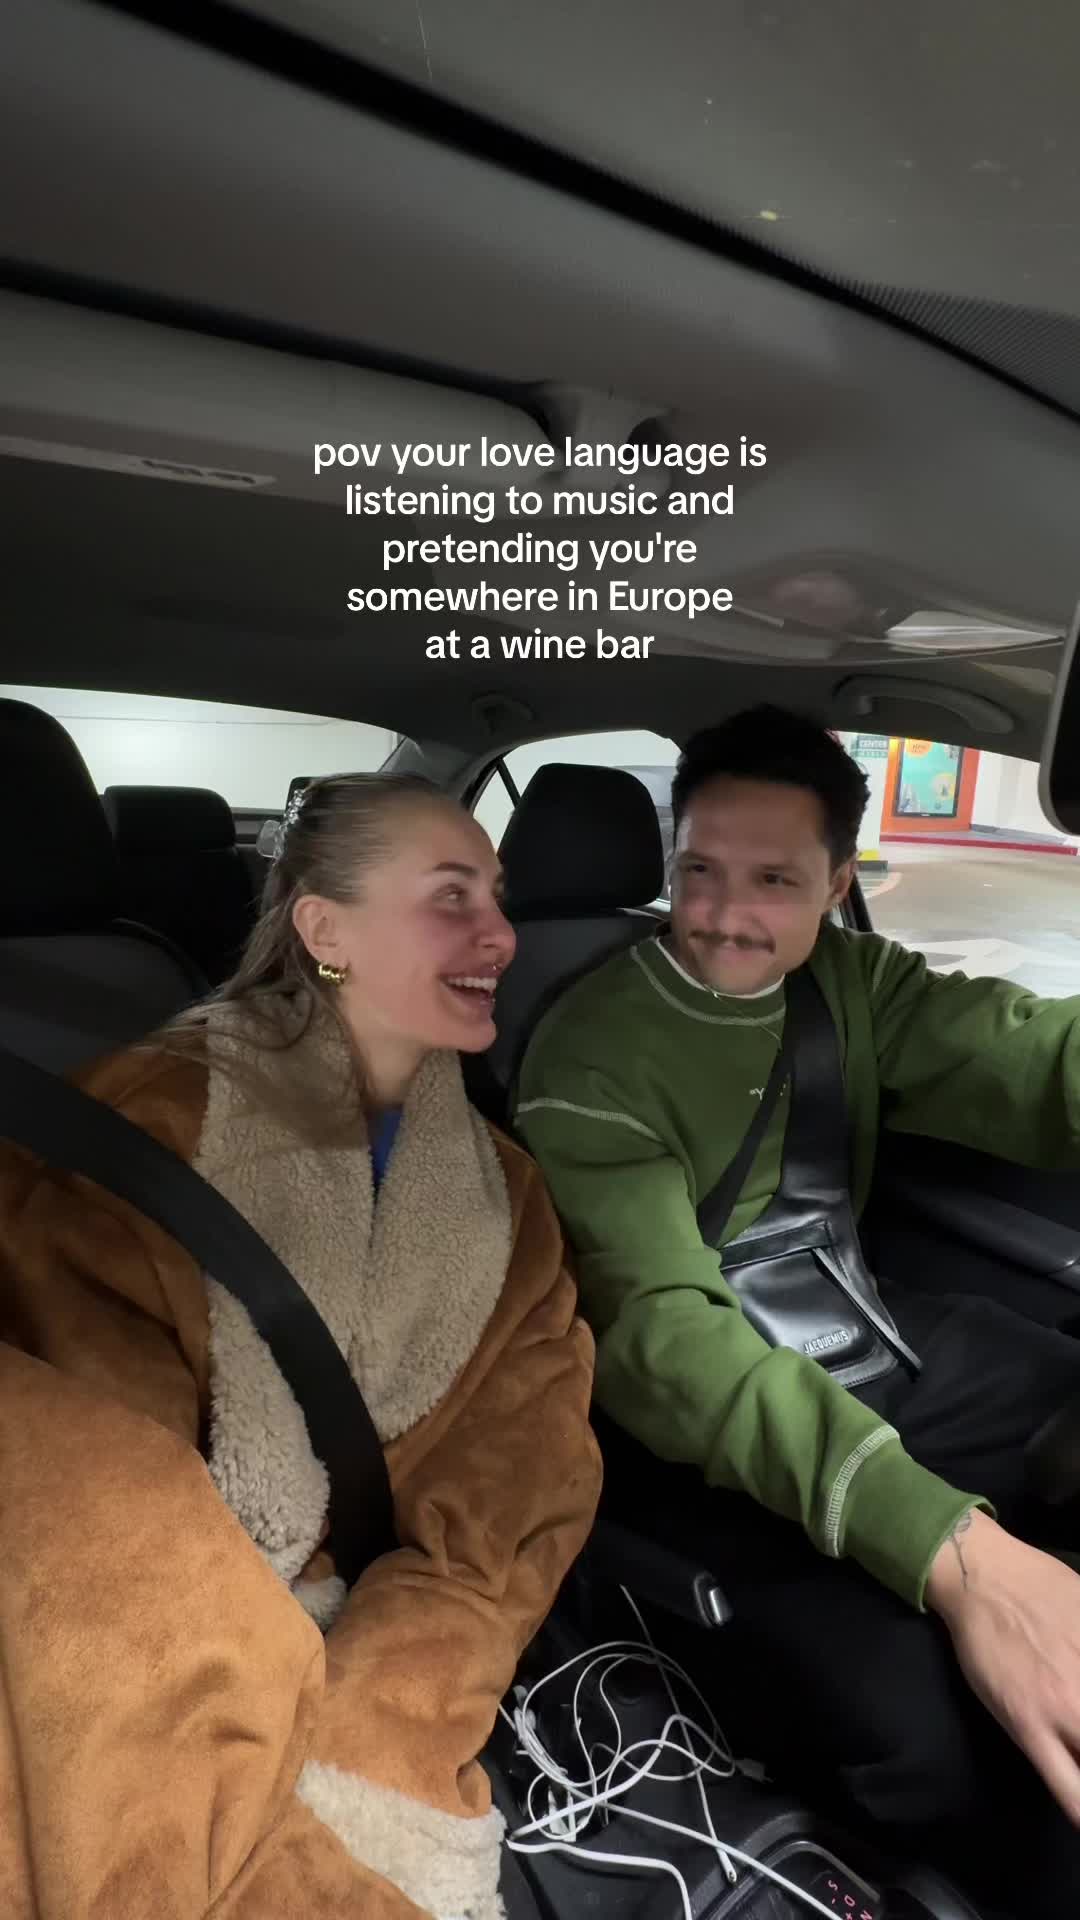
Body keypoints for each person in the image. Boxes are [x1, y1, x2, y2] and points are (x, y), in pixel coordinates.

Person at [0, 772, 602, 1920]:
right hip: (143, 1652)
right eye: (451, 896)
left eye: (498, 894)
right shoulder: (139, 1130)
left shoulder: (505, 1193)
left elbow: (515, 1499)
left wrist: (381, 1744)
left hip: (384, 1648)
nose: (501, 933)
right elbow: (103, 1534)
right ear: (326, 931)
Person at [515, 707, 1080, 1912]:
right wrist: (957, 1554)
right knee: (917, 1715)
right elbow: (669, 1339)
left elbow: (1029, 1057)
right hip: (693, 1425)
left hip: (862, 1327)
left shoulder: (849, 981)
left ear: (837, 885)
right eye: (699, 873)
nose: (723, 915)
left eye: (773, 880)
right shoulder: (592, 1052)